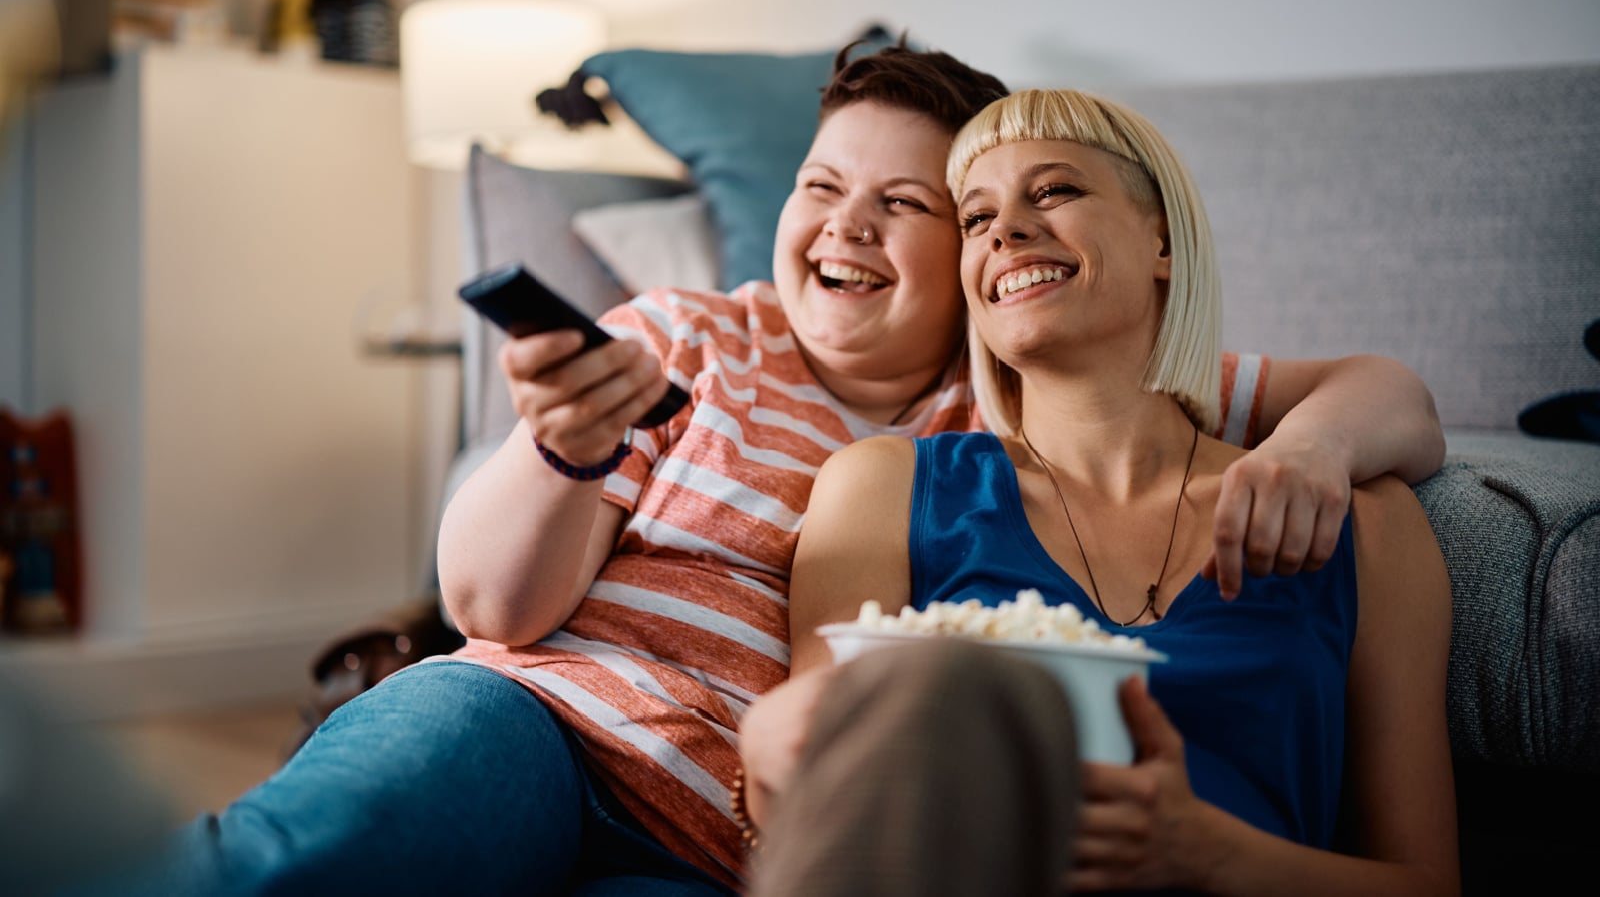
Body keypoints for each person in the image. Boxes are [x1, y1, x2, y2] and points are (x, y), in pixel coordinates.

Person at [81, 44, 1445, 896]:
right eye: (818, 187)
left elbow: (1378, 396)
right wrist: (567, 446)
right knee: (290, 867)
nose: (844, 225)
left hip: (724, 843)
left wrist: (1313, 449)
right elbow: (490, 607)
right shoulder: (686, 337)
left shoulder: (1012, 387)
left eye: (907, 205)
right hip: (550, 725)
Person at [740, 87, 1457, 897]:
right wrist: (769, 747)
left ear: (1163, 242)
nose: (1005, 229)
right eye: (975, 219)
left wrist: (1210, 854)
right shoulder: (884, 486)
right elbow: (819, 791)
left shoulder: (1361, 521)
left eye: (1054, 191)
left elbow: (1427, 882)